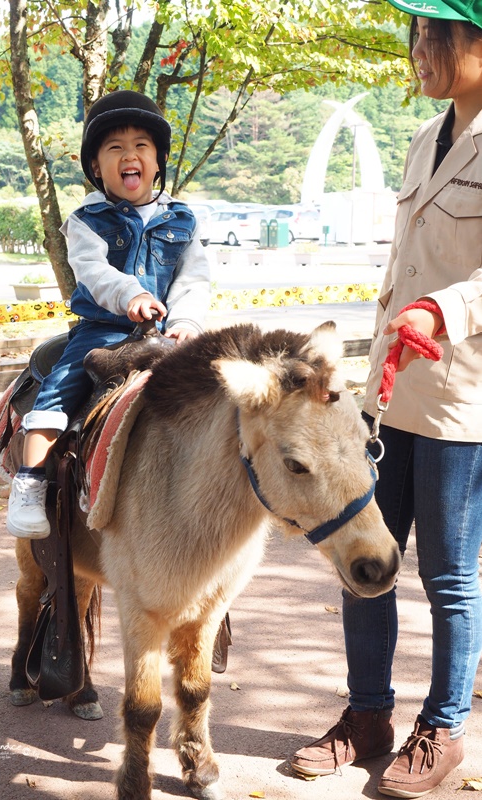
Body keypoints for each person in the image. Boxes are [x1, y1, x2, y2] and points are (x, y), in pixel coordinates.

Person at [291, 1, 482, 796]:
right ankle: (366, 716)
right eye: (415, 33)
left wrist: (443, 308)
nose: (419, 49)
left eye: (436, 32)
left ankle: (441, 729)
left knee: (448, 576)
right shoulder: (421, 137)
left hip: (460, 400)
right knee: (362, 557)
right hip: (388, 392)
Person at [6, 90, 210, 539]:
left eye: (141, 146)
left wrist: (185, 323)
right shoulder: (85, 219)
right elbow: (93, 270)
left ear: (158, 161)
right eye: (114, 148)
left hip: (166, 331)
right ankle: (31, 484)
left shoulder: (185, 220)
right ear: (97, 167)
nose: (129, 155)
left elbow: (194, 280)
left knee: (218, 396)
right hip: (102, 329)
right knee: (60, 390)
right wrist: (130, 294)